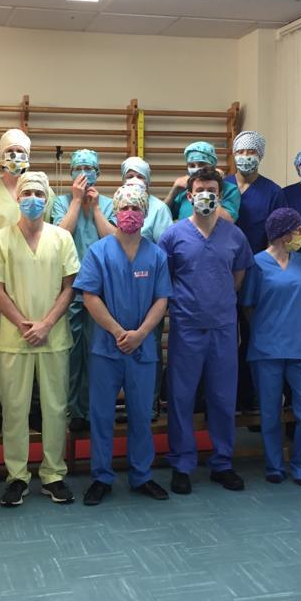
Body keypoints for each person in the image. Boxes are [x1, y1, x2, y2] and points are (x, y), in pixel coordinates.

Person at [0, 171, 79, 507]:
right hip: (14, 337)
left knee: (54, 407)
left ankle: (53, 474)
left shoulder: (61, 238)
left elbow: (70, 287)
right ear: (17, 198)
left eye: (39, 193)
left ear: (48, 198)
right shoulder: (0, 239)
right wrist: (25, 324)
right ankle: (17, 476)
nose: (33, 199)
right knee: (15, 408)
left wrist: (47, 324)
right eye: (27, 193)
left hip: (53, 336)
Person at [75, 183, 172, 505]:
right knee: (101, 414)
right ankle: (101, 477)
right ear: (115, 211)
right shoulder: (98, 252)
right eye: (125, 208)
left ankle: (141, 475)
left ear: (145, 213)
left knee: (142, 415)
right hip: (106, 348)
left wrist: (141, 334)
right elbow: (90, 297)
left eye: (137, 208)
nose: (130, 214)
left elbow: (162, 299)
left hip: (142, 348)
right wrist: (120, 332)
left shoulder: (156, 255)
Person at [159, 166, 253, 494]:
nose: (206, 196)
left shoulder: (234, 235)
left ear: (221, 193)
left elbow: (238, 276)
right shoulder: (173, 235)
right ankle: (182, 463)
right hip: (187, 327)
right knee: (182, 398)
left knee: (223, 398)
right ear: (189, 195)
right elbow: (164, 279)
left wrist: (219, 301)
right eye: (200, 190)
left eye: (212, 190)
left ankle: (222, 462)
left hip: (224, 328)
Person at [0, 128, 55, 438]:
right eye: (10, 151)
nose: (15, 157)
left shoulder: (41, 188)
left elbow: (51, 232)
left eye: (21, 151)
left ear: (29, 156)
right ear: (1, 155)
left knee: (34, 343)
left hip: (35, 279)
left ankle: (34, 408)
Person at [240, 208, 301, 485]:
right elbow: (248, 305)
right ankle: (274, 464)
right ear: (283, 232)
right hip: (266, 348)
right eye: (297, 229)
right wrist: (265, 330)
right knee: (270, 412)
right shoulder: (256, 264)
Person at [52, 149, 116, 433]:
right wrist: (77, 202)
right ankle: (72, 409)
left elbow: (113, 240)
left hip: (100, 289)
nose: (85, 172)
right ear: (70, 174)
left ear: (98, 173)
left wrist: (96, 208)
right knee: (70, 350)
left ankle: (92, 409)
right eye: (79, 167)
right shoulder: (60, 202)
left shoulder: (110, 203)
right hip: (68, 286)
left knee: (95, 350)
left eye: (90, 167)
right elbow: (59, 236)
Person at [228, 130, 286, 414]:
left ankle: (250, 398)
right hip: (222, 272)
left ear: (260, 156)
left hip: (257, 272)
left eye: (251, 152)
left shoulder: (273, 192)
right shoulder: (222, 186)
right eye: (241, 152)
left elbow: (277, 235)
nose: (246, 157)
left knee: (254, 335)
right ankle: (226, 396)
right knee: (225, 337)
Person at [122, 157, 173, 416]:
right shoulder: (117, 203)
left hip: (149, 284)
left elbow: (163, 250)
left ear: (148, 180)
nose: (135, 180)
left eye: (140, 176)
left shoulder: (159, 209)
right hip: (120, 284)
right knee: (120, 345)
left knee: (149, 345)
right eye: (129, 175)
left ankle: (150, 402)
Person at [164, 141, 241, 223]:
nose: (196, 169)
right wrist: (174, 191)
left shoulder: (230, 189)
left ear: (213, 166)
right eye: (192, 166)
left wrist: (210, 192)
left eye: (202, 164)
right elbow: (161, 216)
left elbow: (229, 220)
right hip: (186, 234)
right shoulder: (184, 190)